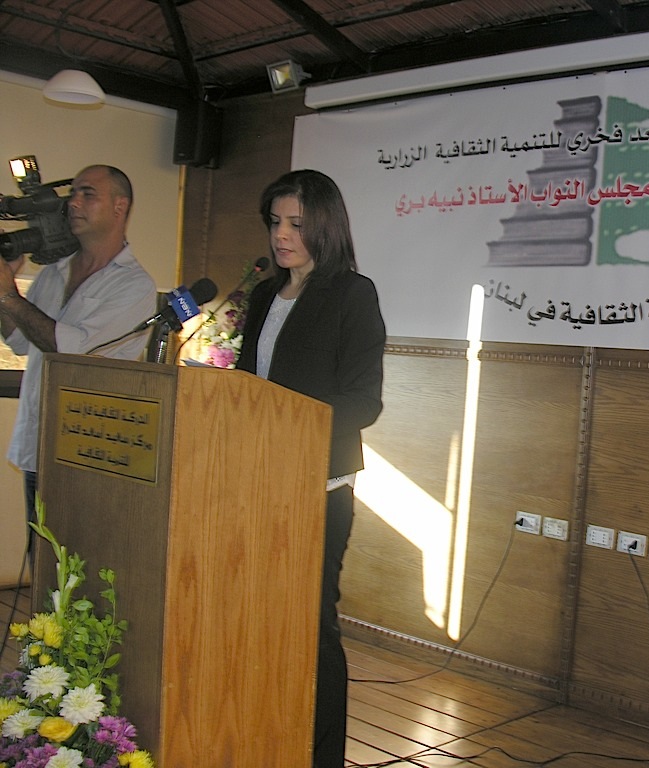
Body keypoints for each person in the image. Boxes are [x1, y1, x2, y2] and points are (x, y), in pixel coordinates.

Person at [235, 169, 386, 768]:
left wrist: (289, 429)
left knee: (311, 627)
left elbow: (363, 402)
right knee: (259, 620)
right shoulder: (262, 296)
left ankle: (322, 756)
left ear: (325, 226)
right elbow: (248, 386)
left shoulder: (352, 293)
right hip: (257, 484)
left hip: (318, 487)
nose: (281, 235)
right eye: (275, 222)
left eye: (296, 224)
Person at [0, 164, 156, 554]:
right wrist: (6, 288)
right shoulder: (53, 272)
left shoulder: (134, 285)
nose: (73, 203)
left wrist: (9, 297)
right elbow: (20, 340)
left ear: (120, 206)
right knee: (40, 563)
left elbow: (70, 350)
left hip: (86, 454)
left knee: (74, 568)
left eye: (88, 194)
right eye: (73, 194)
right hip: (37, 444)